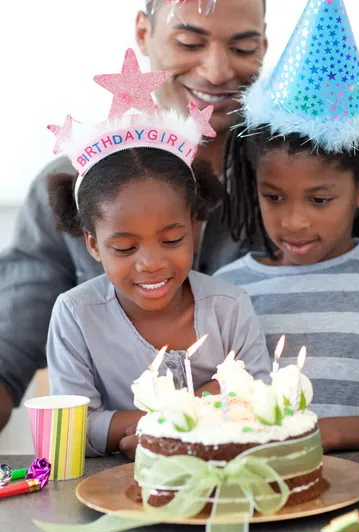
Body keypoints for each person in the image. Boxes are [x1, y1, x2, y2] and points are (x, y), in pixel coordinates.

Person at [0, 0, 267, 432]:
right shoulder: (73, 186)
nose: (217, 71)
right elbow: (10, 339)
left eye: (242, 47)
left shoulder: (298, 182)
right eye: (189, 41)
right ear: (143, 32)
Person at [46, 51, 270, 459]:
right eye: (125, 247)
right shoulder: (75, 315)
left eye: (171, 240)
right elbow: (73, 423)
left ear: (195, 225)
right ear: (93, 243)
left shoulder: (230, 306)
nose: (151, 263)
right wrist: (198, 407)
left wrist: (153, 425)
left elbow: (258, 396)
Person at [215, 0, 359, 453]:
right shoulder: (226, 291)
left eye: (320, 200)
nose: (293, 221)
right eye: (273, 196)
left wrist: (318, 434)